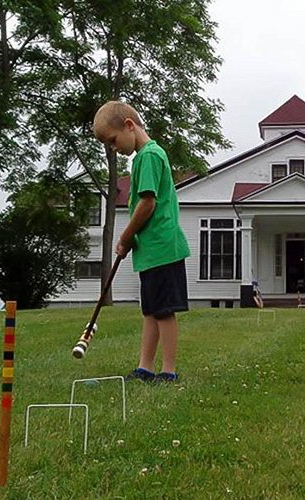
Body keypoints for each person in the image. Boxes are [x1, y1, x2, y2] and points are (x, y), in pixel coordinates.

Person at [92, 101, 190, 384]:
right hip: (152, 249)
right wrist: (133, 239)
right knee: (150, 310)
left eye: (112, 140)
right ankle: (145, 368)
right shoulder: (145, 156)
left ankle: (168, 370)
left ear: (129, 126)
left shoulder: (149, 155)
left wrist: (124, 236)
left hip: (162, 248)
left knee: (163, 311)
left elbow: (147, 203)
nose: (113, 148)